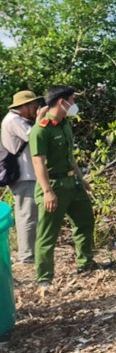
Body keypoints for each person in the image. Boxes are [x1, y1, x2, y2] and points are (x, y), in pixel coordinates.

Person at [31, 86, 101, 286]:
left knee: (85, 222)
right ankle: (44, 278)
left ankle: (86, 263)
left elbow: (70, 157)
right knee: (47, 233)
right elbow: (39, 163)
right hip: (53, 185)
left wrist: (82, 178)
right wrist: (47, 191)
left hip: (73, 183)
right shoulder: (41, 130)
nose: (75, 104)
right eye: (72, 100)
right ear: (62, 102)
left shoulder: (65, 125)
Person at [2, 90, 44, 263]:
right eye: (33, 105)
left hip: (28, 174)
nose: (35, 108)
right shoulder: (14, 120)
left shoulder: (18, 120)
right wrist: (41, 119)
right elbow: (35, 137)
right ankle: (27, 256)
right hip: (24, 175)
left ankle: (31, 253)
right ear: (24, 106)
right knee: (26, 216)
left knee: (31, 215)